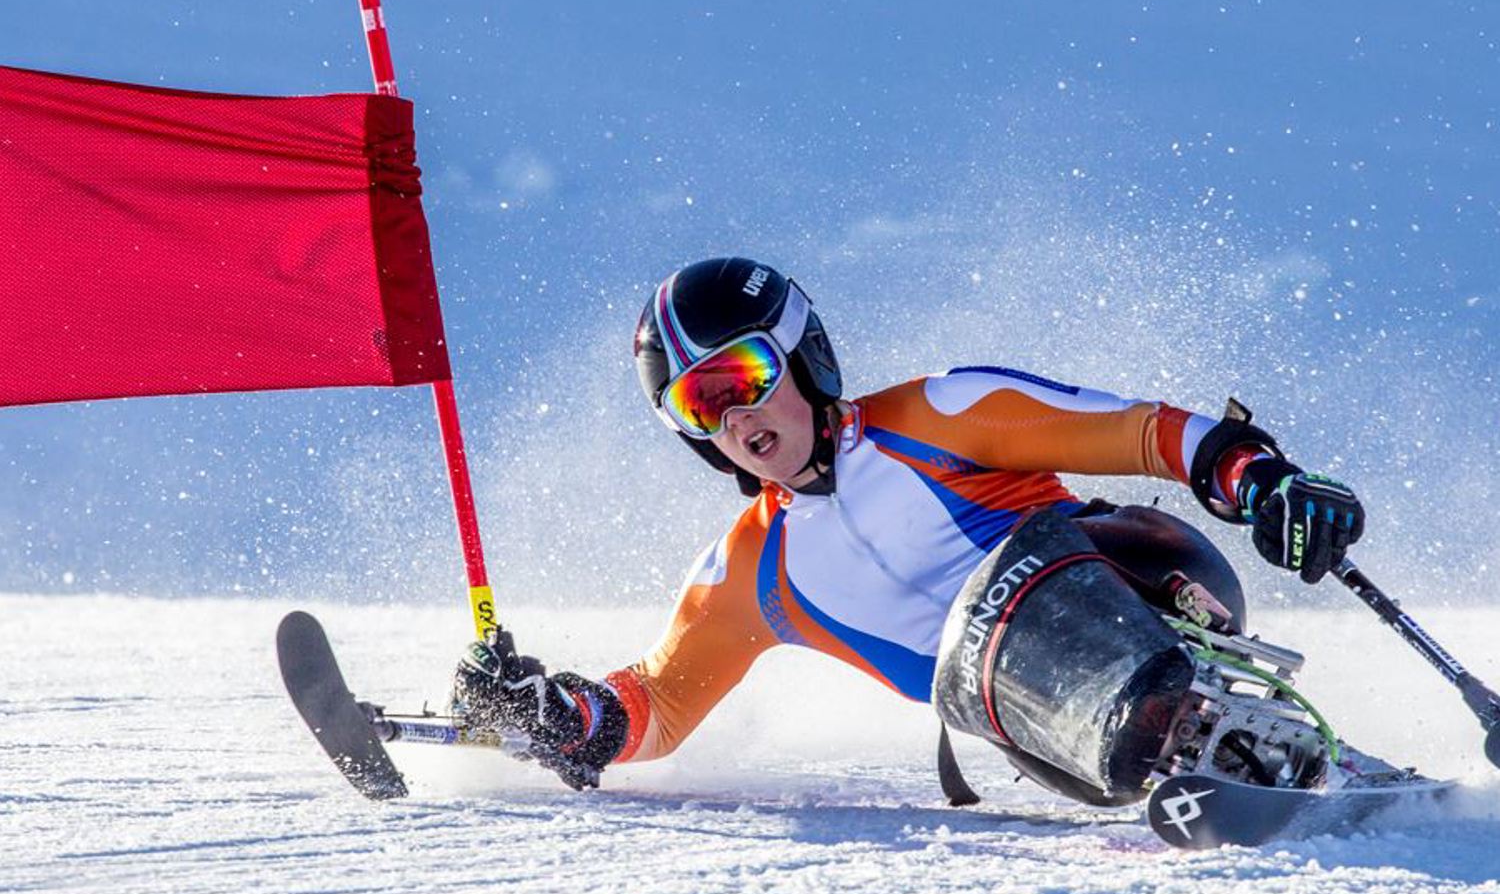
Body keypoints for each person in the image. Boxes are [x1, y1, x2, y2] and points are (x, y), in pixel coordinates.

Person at [451, 257, 1365, 801]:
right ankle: (1194, 747)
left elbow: (1139, 432)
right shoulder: (754, 570)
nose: (735, 417)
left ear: (803, 356)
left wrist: (1256, 478)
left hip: (1141, 579)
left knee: (1028, 607)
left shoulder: (938, 416)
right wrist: (566, 717)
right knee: (990, 655)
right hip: (1052, 721)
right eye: (700, 405)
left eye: (745, 377)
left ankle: (1240, 725)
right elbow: (660, 702)